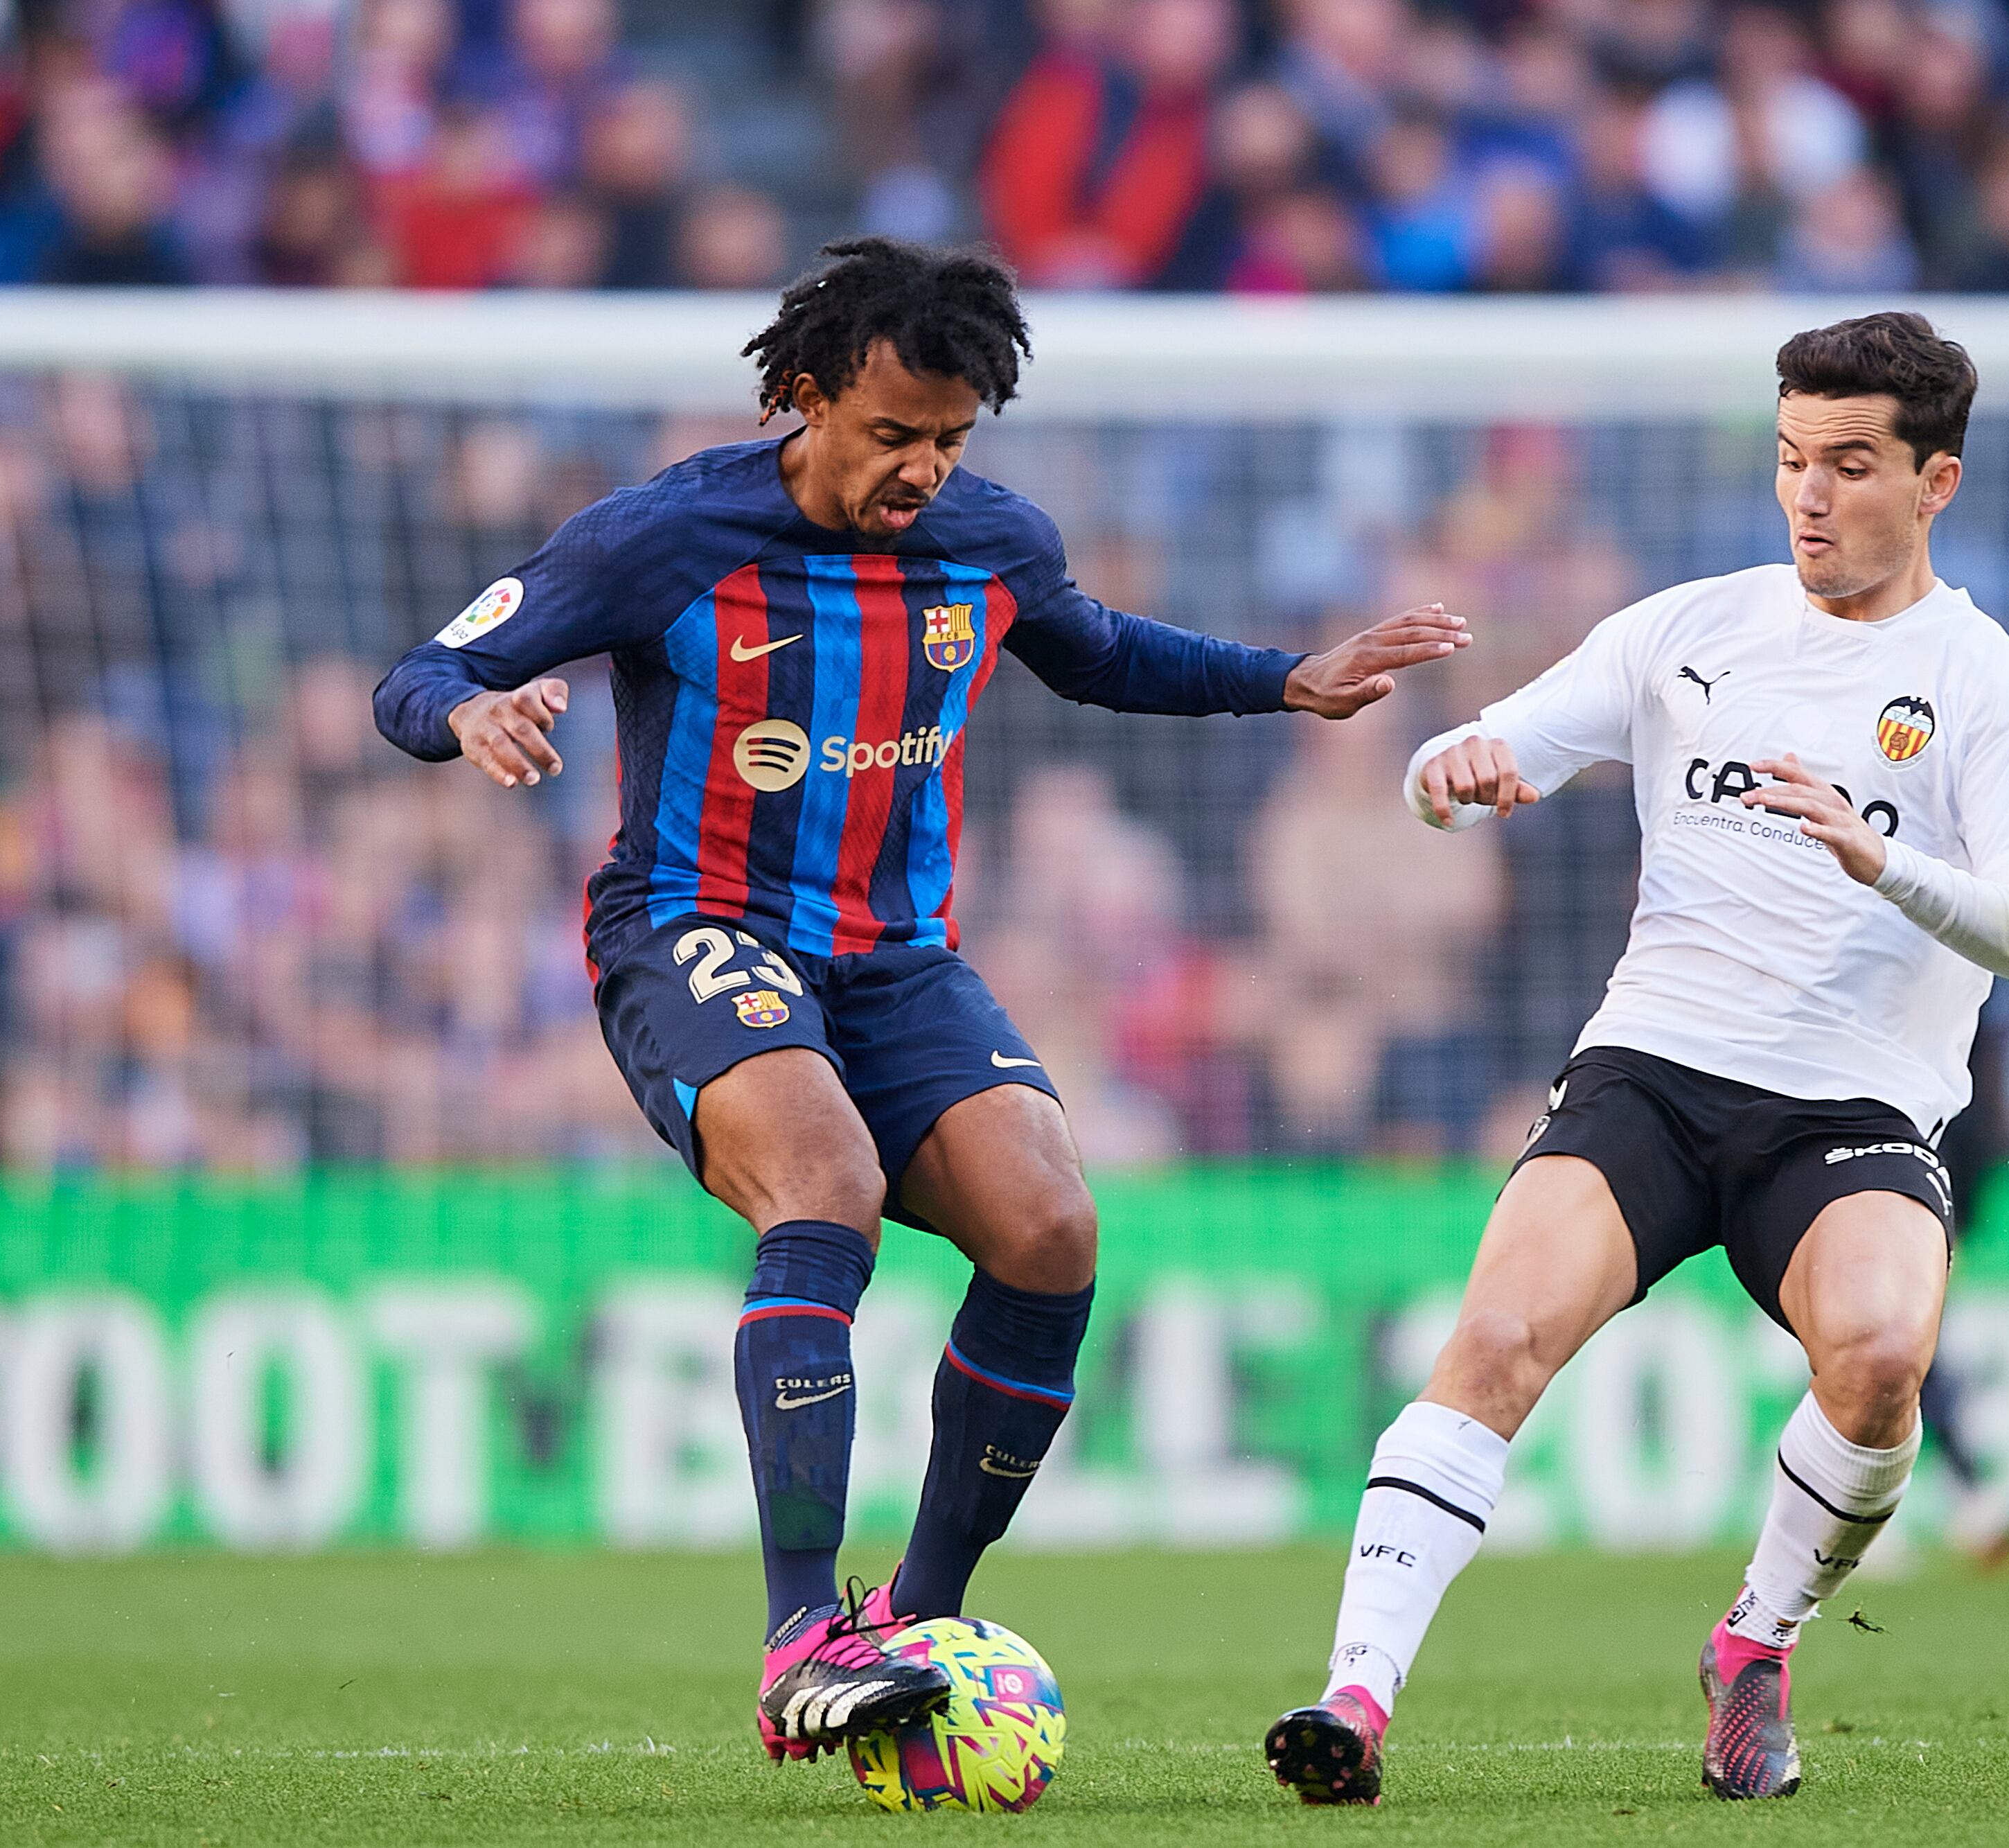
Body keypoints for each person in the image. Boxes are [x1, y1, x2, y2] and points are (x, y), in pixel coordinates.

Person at [372, 236, 1465, 1759]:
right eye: (892, 436)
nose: (921, 471)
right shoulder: (666, 534)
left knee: (1052, 1228)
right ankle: (795, 1636)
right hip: (696, 924)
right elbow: (420, 669)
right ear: (805, 399)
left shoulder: (987, 540)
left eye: (950, 440)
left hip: (897, 959)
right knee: (823, 1178)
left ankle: (913, 1616)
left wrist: (1283, 677)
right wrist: (473, 712)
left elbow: (1090, 651)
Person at [1265, 312, 2009, 1806]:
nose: (1810, 495)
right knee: (1496, 1337)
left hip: (1849, 1107)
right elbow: (1462, 760)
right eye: (1791, 460)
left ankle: (1753, 1644)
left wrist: (1883, 864)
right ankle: (1352, 1695)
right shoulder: (1684, 631)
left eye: (1849, 464)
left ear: (1935, 482)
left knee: (1883, 1354)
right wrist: (1445, 779)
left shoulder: (1984, 686)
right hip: (1650, 1071)